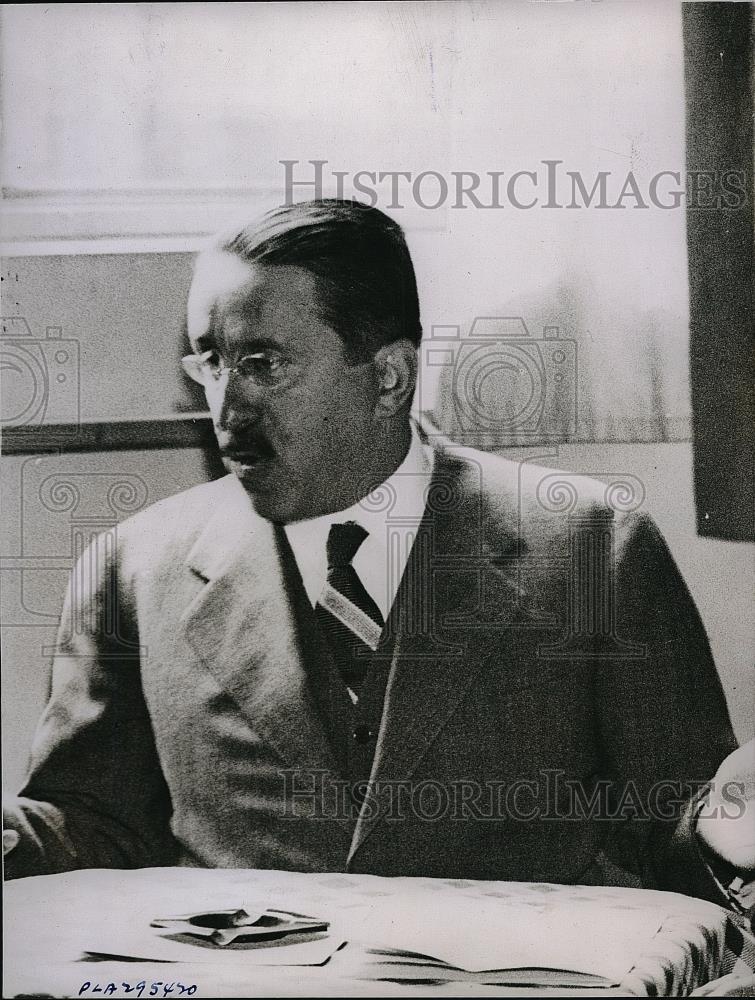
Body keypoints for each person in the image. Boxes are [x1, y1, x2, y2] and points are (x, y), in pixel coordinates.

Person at [3, 200, 752, 912]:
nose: (226, 411)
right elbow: (96, 827)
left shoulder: (594, 547)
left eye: (264, 364)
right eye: (211, 362)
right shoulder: (129, 571)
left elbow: (673, 831)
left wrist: (726, 829)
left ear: (389, 378)